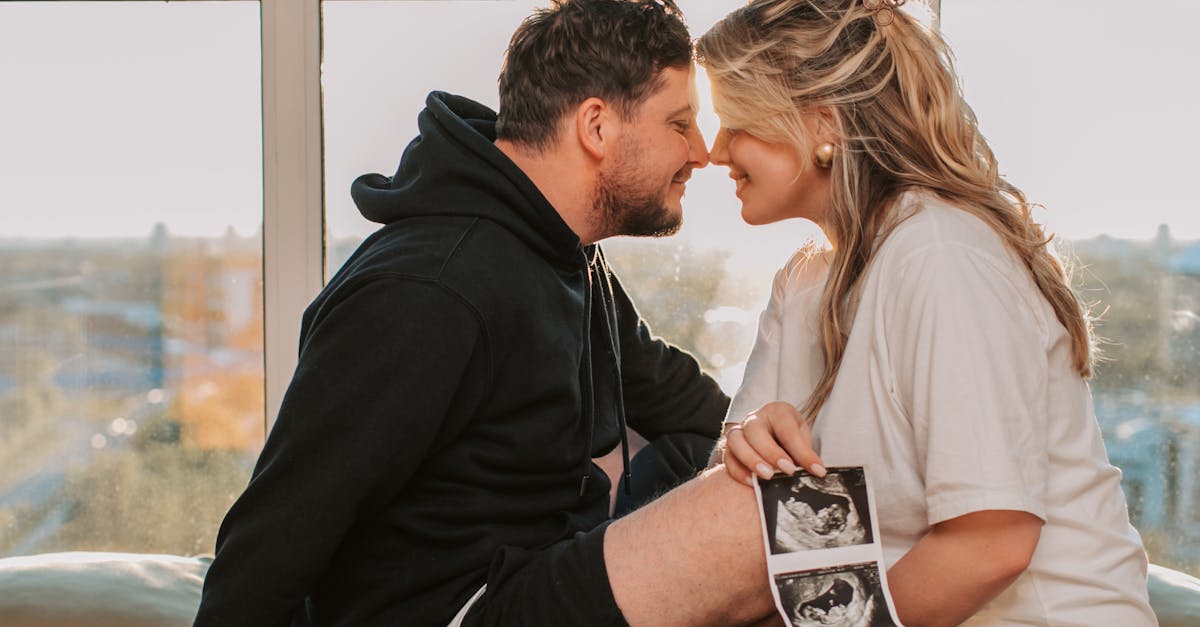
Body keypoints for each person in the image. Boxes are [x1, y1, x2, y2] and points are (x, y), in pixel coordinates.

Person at [195, 1, 801, 626]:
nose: (702, 153)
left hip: (536, 570)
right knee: (754, 514)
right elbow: (272, 542)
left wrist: (758, 449)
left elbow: (686, 407)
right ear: (597, 127)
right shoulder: (429, 290)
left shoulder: (562, 251)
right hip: (455, 610)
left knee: (745, 473)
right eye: (680, 123)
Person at [696, 0, 1158, 625]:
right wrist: (749, 444)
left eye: (735, 123)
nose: (716, 150)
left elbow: (991, 545)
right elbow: (769, 528)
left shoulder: (941, 254)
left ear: (822, 124)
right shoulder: (802, 283)